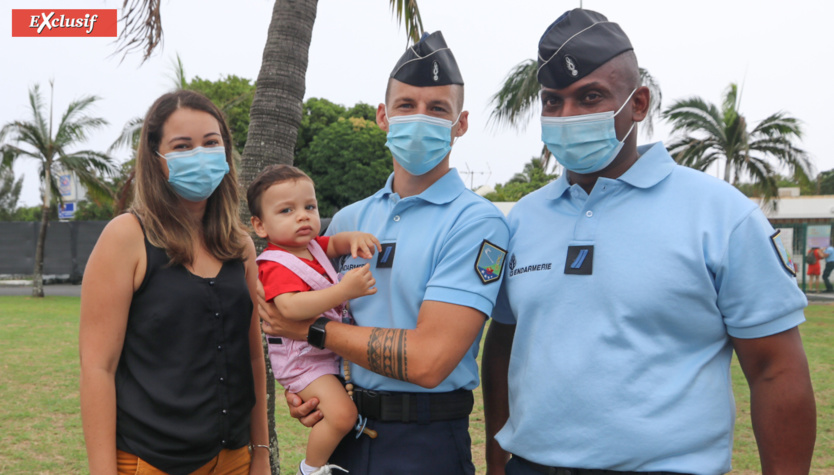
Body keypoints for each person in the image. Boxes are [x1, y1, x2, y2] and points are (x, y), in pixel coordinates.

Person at [482, 9, 816, 475]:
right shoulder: (524, 218)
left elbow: (775, 370)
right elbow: (504, 342)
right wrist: (497, 463)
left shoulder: (721, 215)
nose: (567, 116)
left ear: (638, 104)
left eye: (590, 97)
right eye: (553, 102)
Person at [258, 31, 510, 474]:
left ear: (461, 123)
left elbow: (431, 362)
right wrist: (307, 389)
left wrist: (308, 330)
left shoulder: (477, 223)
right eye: (406, 106)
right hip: (349, 432)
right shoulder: (347, 221)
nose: (419, 119)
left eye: (437, 109)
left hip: (427, 441)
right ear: (382, 116)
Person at [79, 90, 269, 475]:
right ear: (157, 159)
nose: (200, 154)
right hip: (151, 461)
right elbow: (98, 367)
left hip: (235, 459)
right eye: (182, 146)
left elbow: (252, 358)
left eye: (211, 143)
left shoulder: (240, 247)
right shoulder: (127, 237)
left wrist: (261, 453)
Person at [247, 164, 380, 475]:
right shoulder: (274, 264)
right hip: (302, 361)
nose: (303, 216)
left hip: (322, 353)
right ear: (260, 225)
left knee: (341, 411)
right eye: (286, 210)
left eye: (310, 206)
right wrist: (344, 290)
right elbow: (291, 309)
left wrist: (354, 239)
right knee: (343, 415)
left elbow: (334, 244)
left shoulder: (312, 248)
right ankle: (312, 469)